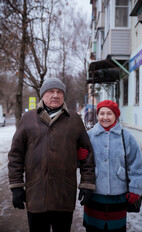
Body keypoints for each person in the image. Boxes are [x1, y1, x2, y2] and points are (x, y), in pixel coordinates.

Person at [8, 77, 95, 232]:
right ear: (43, 95)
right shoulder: (28, 119)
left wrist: (87, 184)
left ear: (63, 95)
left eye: (59, 92)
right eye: (50, 91)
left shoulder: (74, 119)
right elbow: (16, 155)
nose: (55, 95)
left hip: (64, 194)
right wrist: (16, 187)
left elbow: (87, 154)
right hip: (36, 194)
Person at [82, 100, 142, 232]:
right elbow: (82, 164)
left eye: (109, 113)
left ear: (116, 115)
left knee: (116, 229)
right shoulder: (89, 136)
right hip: (94, 194)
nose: (105, 117)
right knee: (93, 228)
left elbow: (137, 165)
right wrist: (79, 155)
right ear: (97, 115)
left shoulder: (126, 137)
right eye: (102, 113)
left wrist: (135, 189)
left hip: (118, 196)